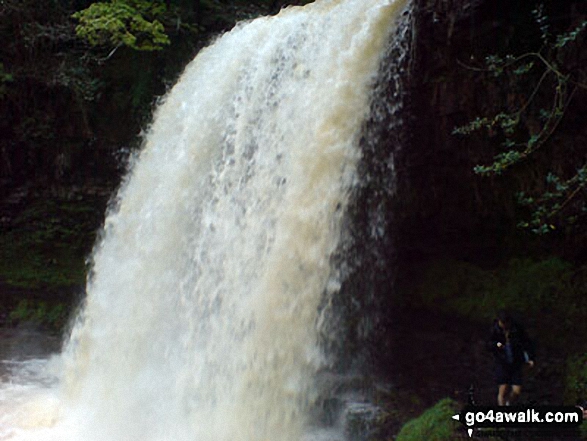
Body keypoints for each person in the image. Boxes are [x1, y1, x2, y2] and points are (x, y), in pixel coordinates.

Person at [488, 310, 535, 406]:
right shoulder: (495, 329)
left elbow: (527, 343)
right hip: (502, 362)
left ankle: (508, 403)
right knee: (503, 389)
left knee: (517, 390)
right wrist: (496, 345)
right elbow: (488, 344)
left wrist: (530, 358)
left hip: (516, 361)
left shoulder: (517, 329)